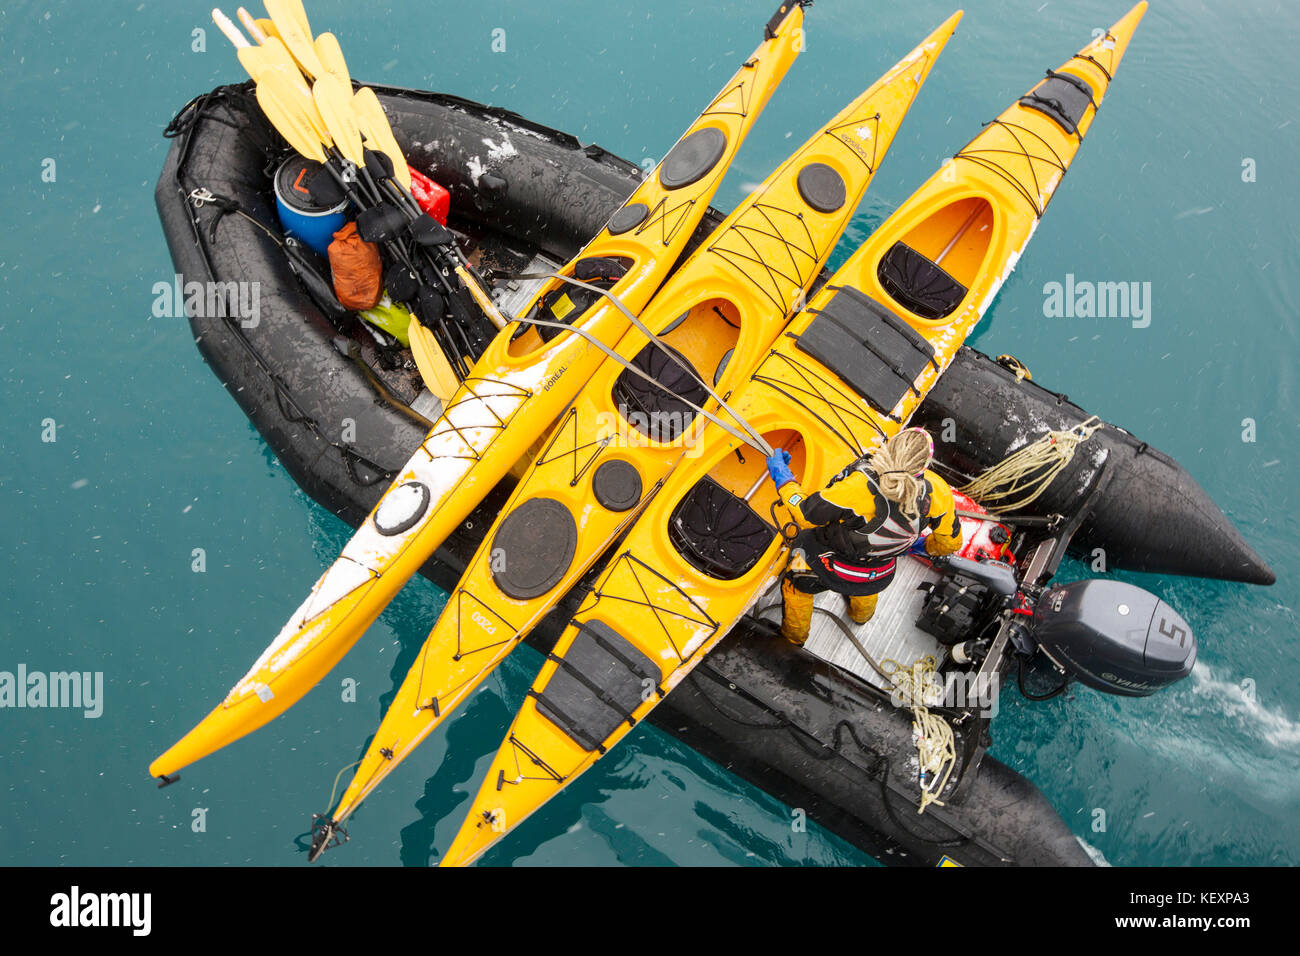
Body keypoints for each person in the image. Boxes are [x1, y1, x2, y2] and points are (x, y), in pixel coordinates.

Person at [765, 426, 963, 645]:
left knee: (797, 587)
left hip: (827, 565)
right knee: (865, 591)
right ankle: (861, 616)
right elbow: (950, 543)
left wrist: (784, 481)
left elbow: (805, 514)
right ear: (925, 465)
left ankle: (794, 639)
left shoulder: (859, 486)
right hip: (876, 574)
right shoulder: (938, 491)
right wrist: (923, 546)